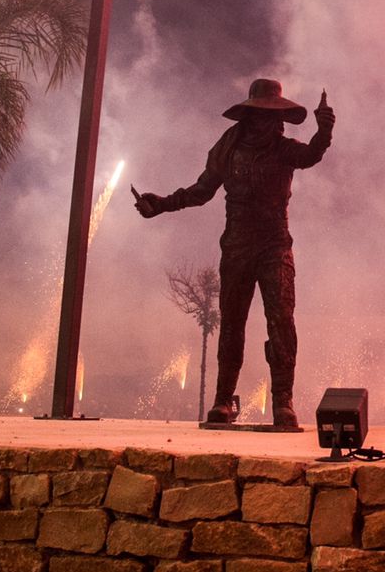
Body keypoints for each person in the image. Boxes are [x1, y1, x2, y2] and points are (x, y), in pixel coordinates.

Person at [135, 78, 334, 431]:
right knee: (231, 324)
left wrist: (323, 132)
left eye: (276, 117)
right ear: (250, 116)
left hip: (275, 246)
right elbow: (201, 191)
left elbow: (311, 156)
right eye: (264, 116)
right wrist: (162, 204)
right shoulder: (228, 149)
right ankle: (223, 400)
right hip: (237, 246)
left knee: (282, 322)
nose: (271, 123)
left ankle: (282, 401)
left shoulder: (284, 149)